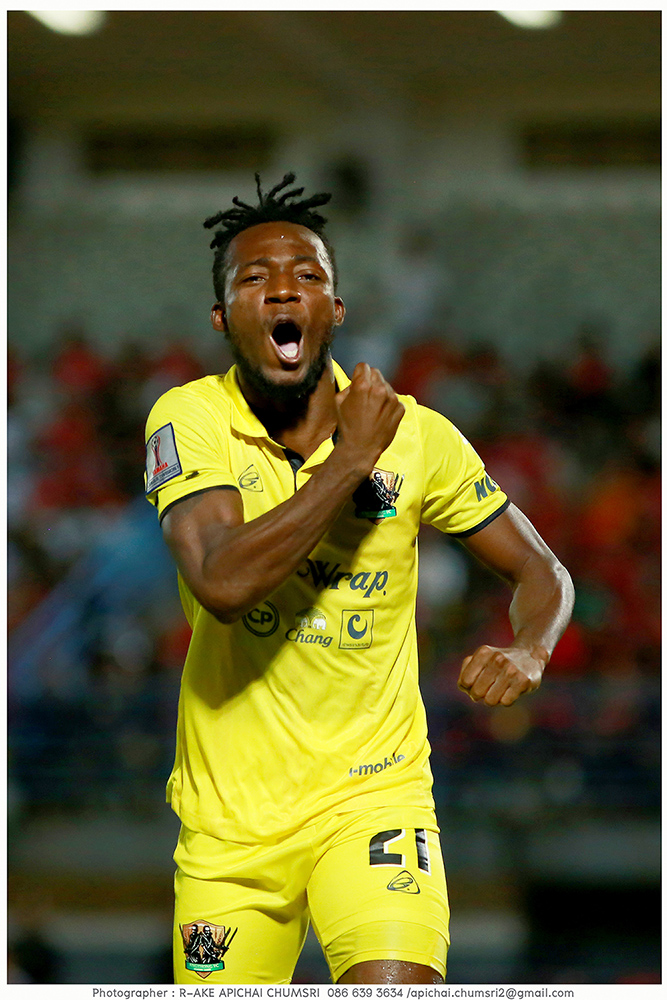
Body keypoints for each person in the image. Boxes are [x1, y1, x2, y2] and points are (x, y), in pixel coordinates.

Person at [144, 173, 574, 986]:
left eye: (307, 275)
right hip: (231, 826)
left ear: (334, 310)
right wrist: (349, 461)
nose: (282, 289)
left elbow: (541, 569)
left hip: (375, 800)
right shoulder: (190, 417)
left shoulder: (419, 436)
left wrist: (530, 647)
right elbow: (221, 584)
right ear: (221, 317)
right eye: (253, 277)